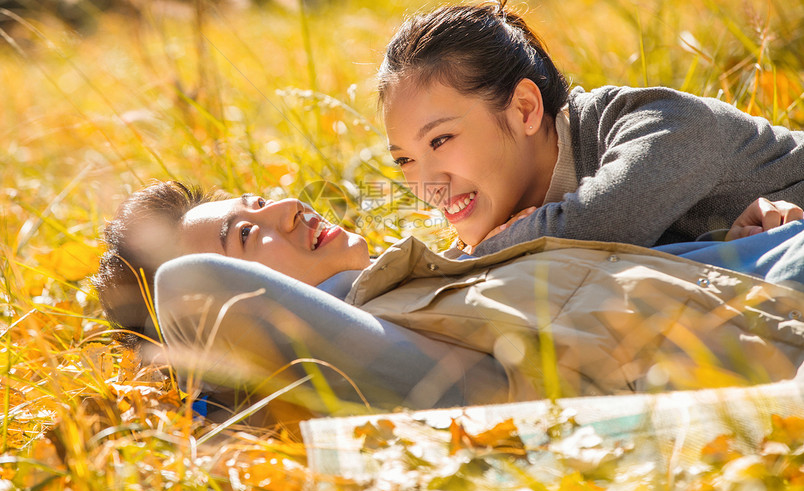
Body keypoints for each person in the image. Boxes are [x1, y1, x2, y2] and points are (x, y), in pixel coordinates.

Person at [93, 181, 804, 424]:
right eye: (247, 232)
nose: (285, 203)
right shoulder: (393, 349)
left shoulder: (443, 271)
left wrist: (726, 243)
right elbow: (193, 289)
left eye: (256, 200)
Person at [378, 0, 804, 256]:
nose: (427, 185)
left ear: (525, 108)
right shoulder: (522, 215)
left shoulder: (660, 124)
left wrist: (483, 252)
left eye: (440, 140)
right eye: (405, 161)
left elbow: (604, 221)